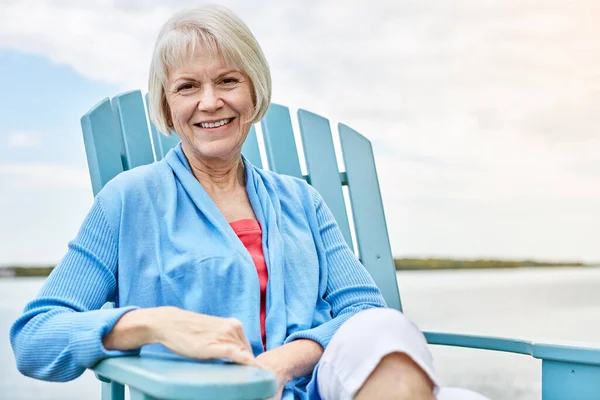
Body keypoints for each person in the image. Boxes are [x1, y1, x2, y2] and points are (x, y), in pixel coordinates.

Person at [10, 5, 489, 400]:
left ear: (254, 91)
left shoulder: (300, 201)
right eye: (187, 87)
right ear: (165, 106)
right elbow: (34, 337)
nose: (211, 102)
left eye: (228, 81)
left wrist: (285, 361)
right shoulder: (130, 202)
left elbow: (365, 313)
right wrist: (149, 324)